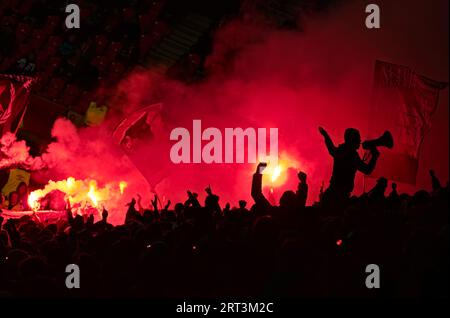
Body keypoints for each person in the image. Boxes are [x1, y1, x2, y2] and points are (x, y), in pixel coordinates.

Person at [318, 126, 379, 209]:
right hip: (341, 196)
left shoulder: (341, 150)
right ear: (352, 140)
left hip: (332, 193)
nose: (360, 141)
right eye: (358, 138)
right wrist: (374, 156)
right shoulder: (352, 155)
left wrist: (326, 136)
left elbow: (331, 148)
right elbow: (367, 170)